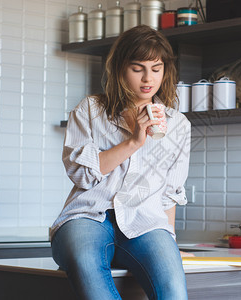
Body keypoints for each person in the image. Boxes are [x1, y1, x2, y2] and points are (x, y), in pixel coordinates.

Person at [50, 25, 191, 300]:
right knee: (86, 265)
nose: (148, 78)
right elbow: (81, 175)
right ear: (119, 69)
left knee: (173, 290)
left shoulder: (178, 125)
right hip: (88, 216)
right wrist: (134, 142)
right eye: (138, 68)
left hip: (146, 222)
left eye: (156, 68)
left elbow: (169, 194)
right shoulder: (90, 110)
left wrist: (170, 244)